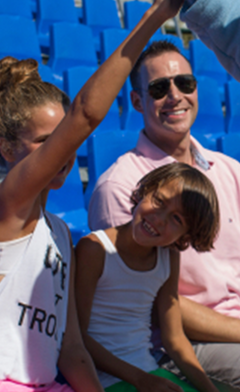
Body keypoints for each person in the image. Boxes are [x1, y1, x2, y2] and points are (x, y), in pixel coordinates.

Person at [0, 0, 182, 392]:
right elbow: (85, 117)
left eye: (62, 142)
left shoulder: (58, 234)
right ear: (6, 148)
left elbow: (71, 348)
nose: (62, 154)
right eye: (46, 143)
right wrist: (154, 16)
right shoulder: (4, 209)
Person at [87, 41, 240, 392]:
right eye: (159, 89)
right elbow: (147, 302)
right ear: (138, 102)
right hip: (174, 349)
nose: (175, 96)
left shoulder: (231, 172)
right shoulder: (121, 185)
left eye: (184, 84)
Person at [76, 163, 221, 392]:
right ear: (145, 191)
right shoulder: (94, 250)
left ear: (186, 236)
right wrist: (141, 380)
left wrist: (209, 390)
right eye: (159, 201)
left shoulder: (168, 257)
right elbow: (77, 338)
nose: (159, 219)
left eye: (177, 219)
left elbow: (174, 339)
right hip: (103, 381)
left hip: (149, 374)